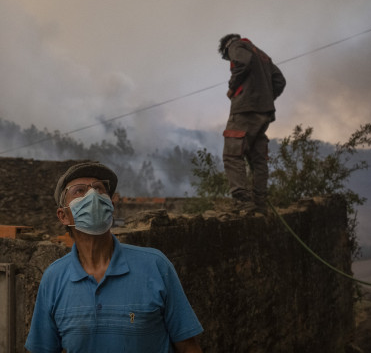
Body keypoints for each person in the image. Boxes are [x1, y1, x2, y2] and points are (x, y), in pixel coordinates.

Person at [25, 162, 204, 353]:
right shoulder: (53, 278)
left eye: (98, 188)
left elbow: (188, 347)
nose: (92, 195)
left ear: (111, 205)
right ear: (63, 216)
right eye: (79, 191)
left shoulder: (155, 265)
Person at [218, 33, 286, 215]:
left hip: (244, 110)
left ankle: (243, 203)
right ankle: (260, 204)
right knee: (258, 157)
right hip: (263, 113)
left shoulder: (235, 46)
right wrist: (265, 99)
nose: (229, 59)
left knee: (232, 154)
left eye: (226, 58)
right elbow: (280, 81)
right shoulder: (263, 55)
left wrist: (233, 88)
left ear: (226, 48)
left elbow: (242, 62)